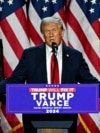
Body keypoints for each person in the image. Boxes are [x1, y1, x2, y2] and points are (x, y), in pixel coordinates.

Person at [0, 16, 99, 133]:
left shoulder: (75, 56)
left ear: (62, 32)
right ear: (43, 34)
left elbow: (89, 81)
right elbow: (15, 80)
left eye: (54, 30)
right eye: (47, 31)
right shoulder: (30, 55)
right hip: (35, 119)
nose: (51, 34)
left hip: (65, 119)